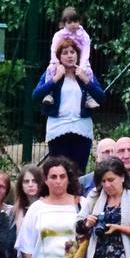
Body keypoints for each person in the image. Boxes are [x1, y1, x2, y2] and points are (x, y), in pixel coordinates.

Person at [36, 37, 104, 171]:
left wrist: (86, 81)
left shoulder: (85, 72)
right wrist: (55, 79)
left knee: (78, 171)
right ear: (59, 56)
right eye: (65, 53)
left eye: (72, 52)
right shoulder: (52, 72)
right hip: (58, 128)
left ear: (78, 55)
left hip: (81, 129)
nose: (69, 56)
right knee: (59, 171)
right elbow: (36, 95)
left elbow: (101, 97)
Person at [52, 7, 94, 75]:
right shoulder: (59, 35)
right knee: (51, 70)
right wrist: (58, 64)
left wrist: (82, 67)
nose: (73, 24)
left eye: (75, 21)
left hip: (80, 63)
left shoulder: (84, 35)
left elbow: (86, 52)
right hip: (61, 63)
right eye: (69, 22)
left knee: (88, 73)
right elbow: (54, 51)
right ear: (64, 23)